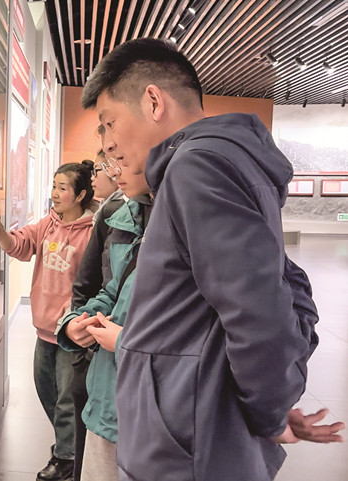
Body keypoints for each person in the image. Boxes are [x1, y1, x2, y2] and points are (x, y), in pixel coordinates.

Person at [80, 37, 345, 481]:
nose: (107, 144)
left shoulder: (197, 166)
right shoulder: (214, 164)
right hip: (193, 431)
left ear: (153, 101)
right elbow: (282, 285)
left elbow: (260, 314)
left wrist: (267, 412)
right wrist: (265, 406)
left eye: (109, 123)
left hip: (186, 449)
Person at [0, 161, 96, 481]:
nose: (55, 194)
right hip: (43, 329)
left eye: (63, 188)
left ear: (81, 195)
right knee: (47, 392)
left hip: (70, 332)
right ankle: (70, 446)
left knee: (66, 399)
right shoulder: (49, 224)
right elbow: (18, 245)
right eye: (54, 186)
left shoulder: (92, 232)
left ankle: (65, 459)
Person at [57, 139, 152, 481]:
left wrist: (125, 343)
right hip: (107, 393)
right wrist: (76, 321)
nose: (111, 171)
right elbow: (111, 288)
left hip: (152, 409)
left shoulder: (187, 223)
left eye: (119, 159)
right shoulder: (125, 216)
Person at [68, 141, 126, 481]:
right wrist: (77, 322)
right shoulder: (115, 210)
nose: (97, 175)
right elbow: (104, 285)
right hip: (100, 347)